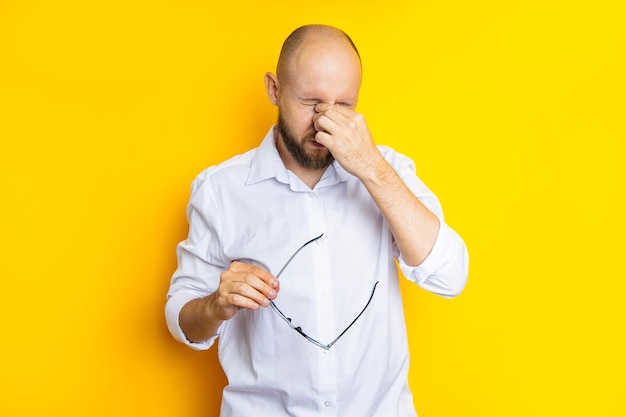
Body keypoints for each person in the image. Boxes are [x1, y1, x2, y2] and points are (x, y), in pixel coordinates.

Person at [165, 24, 469, 417]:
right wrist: (215, 306)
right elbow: (181, 318)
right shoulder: (220, 190)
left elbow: (451, 275)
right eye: (311, 101)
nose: (325, 121)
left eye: (344, 106)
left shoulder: (389, 170)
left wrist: (370, 168)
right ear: (274, 90)